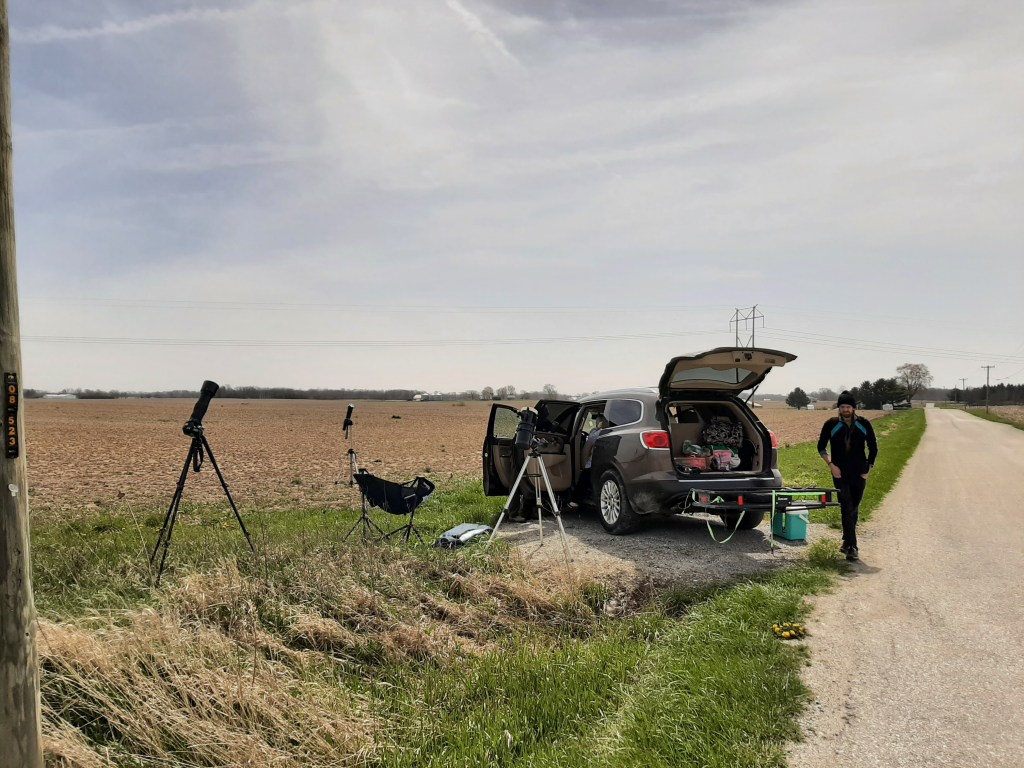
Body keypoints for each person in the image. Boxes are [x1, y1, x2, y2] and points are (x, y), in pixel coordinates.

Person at [817, 391, 878, 561]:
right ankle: (852, 547)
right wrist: (831, 465)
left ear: (853, 408)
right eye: (842, 406)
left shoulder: (864, 424)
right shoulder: (831, 424)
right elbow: (821, 447)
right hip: (840, 473)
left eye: (848, 407)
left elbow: (873, 448)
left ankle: (846, 541)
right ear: (839, 408)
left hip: (860, 472)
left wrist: (869, 468)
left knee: (853, 508)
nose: (845, 409)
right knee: (846, 506)